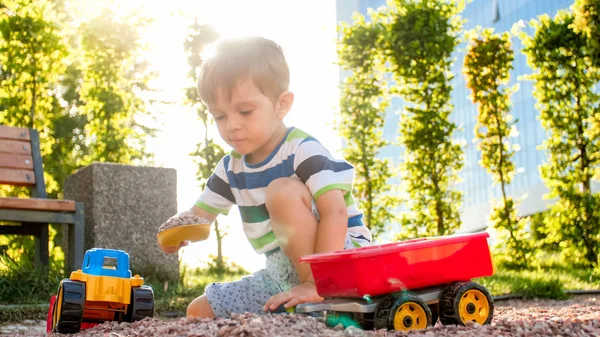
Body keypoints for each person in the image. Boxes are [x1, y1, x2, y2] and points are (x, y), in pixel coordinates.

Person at [158, 36, 372, 319]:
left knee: (281, 192)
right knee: (199, 311)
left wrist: (318, 282)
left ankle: (320, 294)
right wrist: (176, 234)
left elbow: (336, 211)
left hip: (339, 259)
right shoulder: (230, 169)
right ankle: (300, 305)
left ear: (281, 105)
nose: (232, 125)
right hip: (282, 271)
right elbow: (200, 216)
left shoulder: (301, 149)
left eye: (245, 111)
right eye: (219, 116)